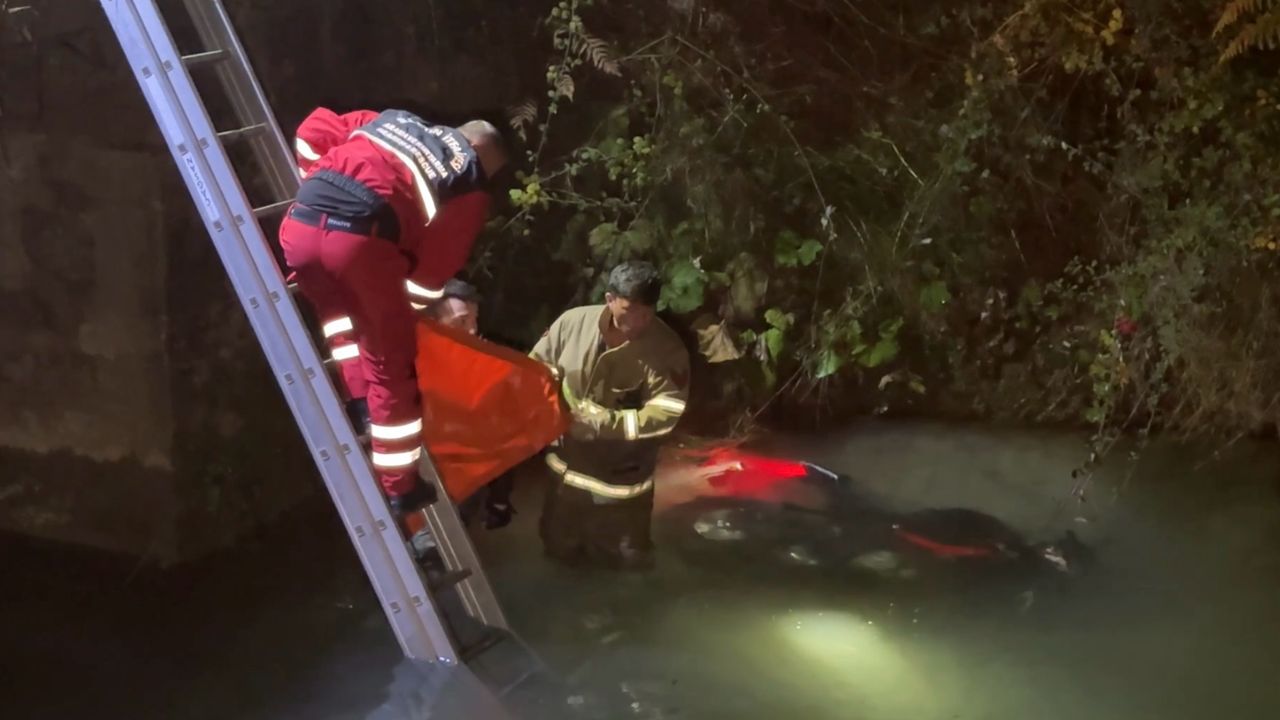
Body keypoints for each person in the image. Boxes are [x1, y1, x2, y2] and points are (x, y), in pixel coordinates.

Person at [279, 106, 506, 524]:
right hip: (361, 247)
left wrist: (317, 177)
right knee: (391, 364)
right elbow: (433, 272)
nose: (485, 174)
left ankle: (361, 401)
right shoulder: (469, 183)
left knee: (341, 321)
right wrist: (407, 313)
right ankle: (400, 487)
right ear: (477, 149)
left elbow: (311, 129)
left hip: (299, 229)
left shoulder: (388, 119)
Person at [530, 261, 691, 570]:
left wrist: (606, 422)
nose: (639, 321)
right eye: (629, 310)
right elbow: (534, 371)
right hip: (565, 478)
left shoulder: (667, 350)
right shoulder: (571, 324)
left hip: (622, 488)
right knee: (558, 556)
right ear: (609, 299)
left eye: (647, 312)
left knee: (624, 567)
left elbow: (668, 411)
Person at [419, 278, 516, 530]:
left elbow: (505, 434)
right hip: (429, 496)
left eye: (474, 320)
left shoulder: (481, 364)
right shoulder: (411, 371)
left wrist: (499, 499)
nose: (472, 331)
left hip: (470, 489)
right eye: (462, 322)